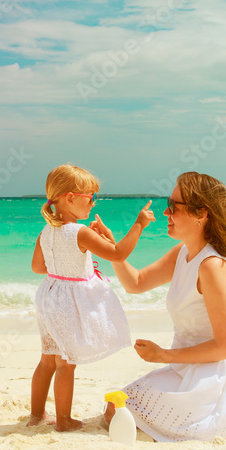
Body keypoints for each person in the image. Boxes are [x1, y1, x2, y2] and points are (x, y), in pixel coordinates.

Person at [96, 172, 226, 442]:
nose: (165, 212)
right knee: (116, 408)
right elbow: (135, 282)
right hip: (187, 365)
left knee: (120, 411)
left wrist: (164, 355)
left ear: (201, 213)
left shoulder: (212, 266)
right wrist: (111, 247)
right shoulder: (184, 252)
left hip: (219, 375)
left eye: (173, 206)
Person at [29, 164, 155, 432]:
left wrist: (64, 265)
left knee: (47, 359)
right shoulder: (80, 232)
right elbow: (119, 254)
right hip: (67, 303)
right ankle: (63, 420)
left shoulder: (46, 231)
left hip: (48, 297)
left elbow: (38, 268)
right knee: (66, 363)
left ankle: (36, 415)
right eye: (90, 197)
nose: (93, 203)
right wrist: (139, 224)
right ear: (70, 198)